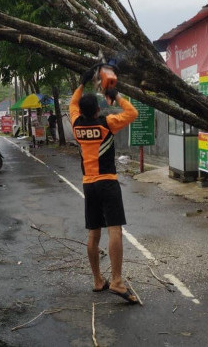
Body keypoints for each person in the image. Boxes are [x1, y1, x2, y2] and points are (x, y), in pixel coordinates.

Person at [70, 68, 139, 304]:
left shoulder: (76, 124)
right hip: (108, 183)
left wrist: (81, 83)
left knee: (93, 232)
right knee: (115, 230)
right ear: (98, 109)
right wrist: (115, 94)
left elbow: (72, 104)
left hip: (88, 185)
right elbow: (132, 113)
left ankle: (98, 280)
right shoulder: (107, 123)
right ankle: (117, 280)